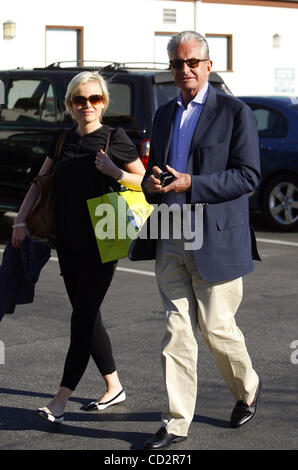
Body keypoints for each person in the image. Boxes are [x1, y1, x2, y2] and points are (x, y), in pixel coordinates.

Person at [142, 31, 262, 450]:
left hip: (216, 238)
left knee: (216, 329)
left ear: (209, 66)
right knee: (176, 330)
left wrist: (191, 183)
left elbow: (248, 177)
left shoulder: (234, 112)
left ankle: (247, 388)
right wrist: (152, 183)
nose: (185, 69)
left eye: (193, 62)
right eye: (177, 63)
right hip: (171, 233)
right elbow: (152, 171)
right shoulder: (162, 115)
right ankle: (176, 421)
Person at [12, 71, 145, 423]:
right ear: (70, 105)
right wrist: (20, 220)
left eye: (95, 99)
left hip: (105, 239)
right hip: (68, 241)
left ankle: (60, 398)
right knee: (89, 315)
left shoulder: (116, 139)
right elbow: (40, 184)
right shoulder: (62, 140)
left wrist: (114, 171)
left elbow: (144, 180)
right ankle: (113, 386)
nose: (87, 106)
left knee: (82, 317)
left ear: (103, 102)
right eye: (80, 100)